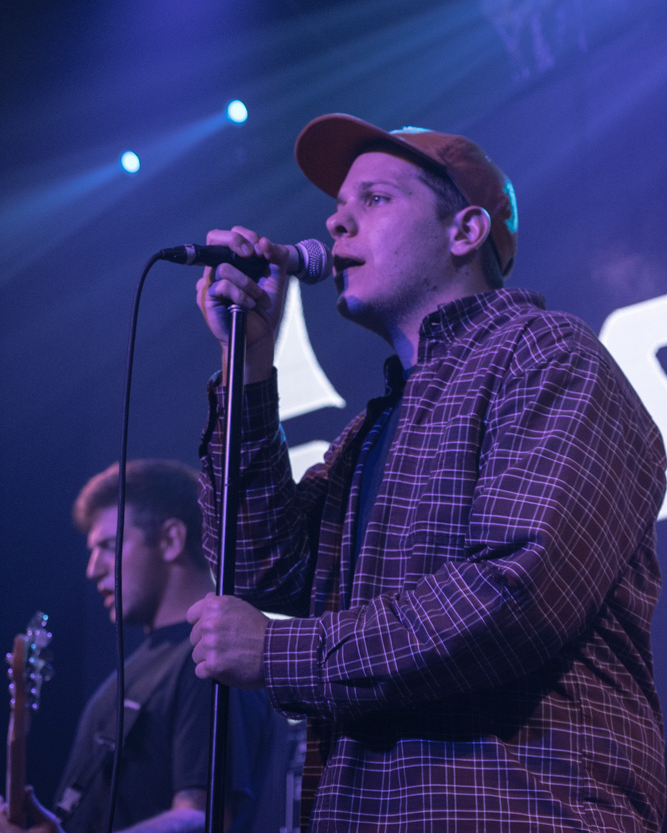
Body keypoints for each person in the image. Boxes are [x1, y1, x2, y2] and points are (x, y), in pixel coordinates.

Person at [187, 113, 667, 833]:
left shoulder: (548, 356)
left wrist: (280, 651)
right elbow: (259, 565)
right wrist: (250, 366)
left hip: (521, 807)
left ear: (465, 231)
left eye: (373, 199)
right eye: (338, 208)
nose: (336, 224)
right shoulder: (369, 429)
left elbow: (514, 592)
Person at [1, 460, 296, 833]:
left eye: (108, 546)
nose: (92, 569)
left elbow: (199, 818)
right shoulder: (141, 668)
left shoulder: (210, 660)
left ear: (171, 540)